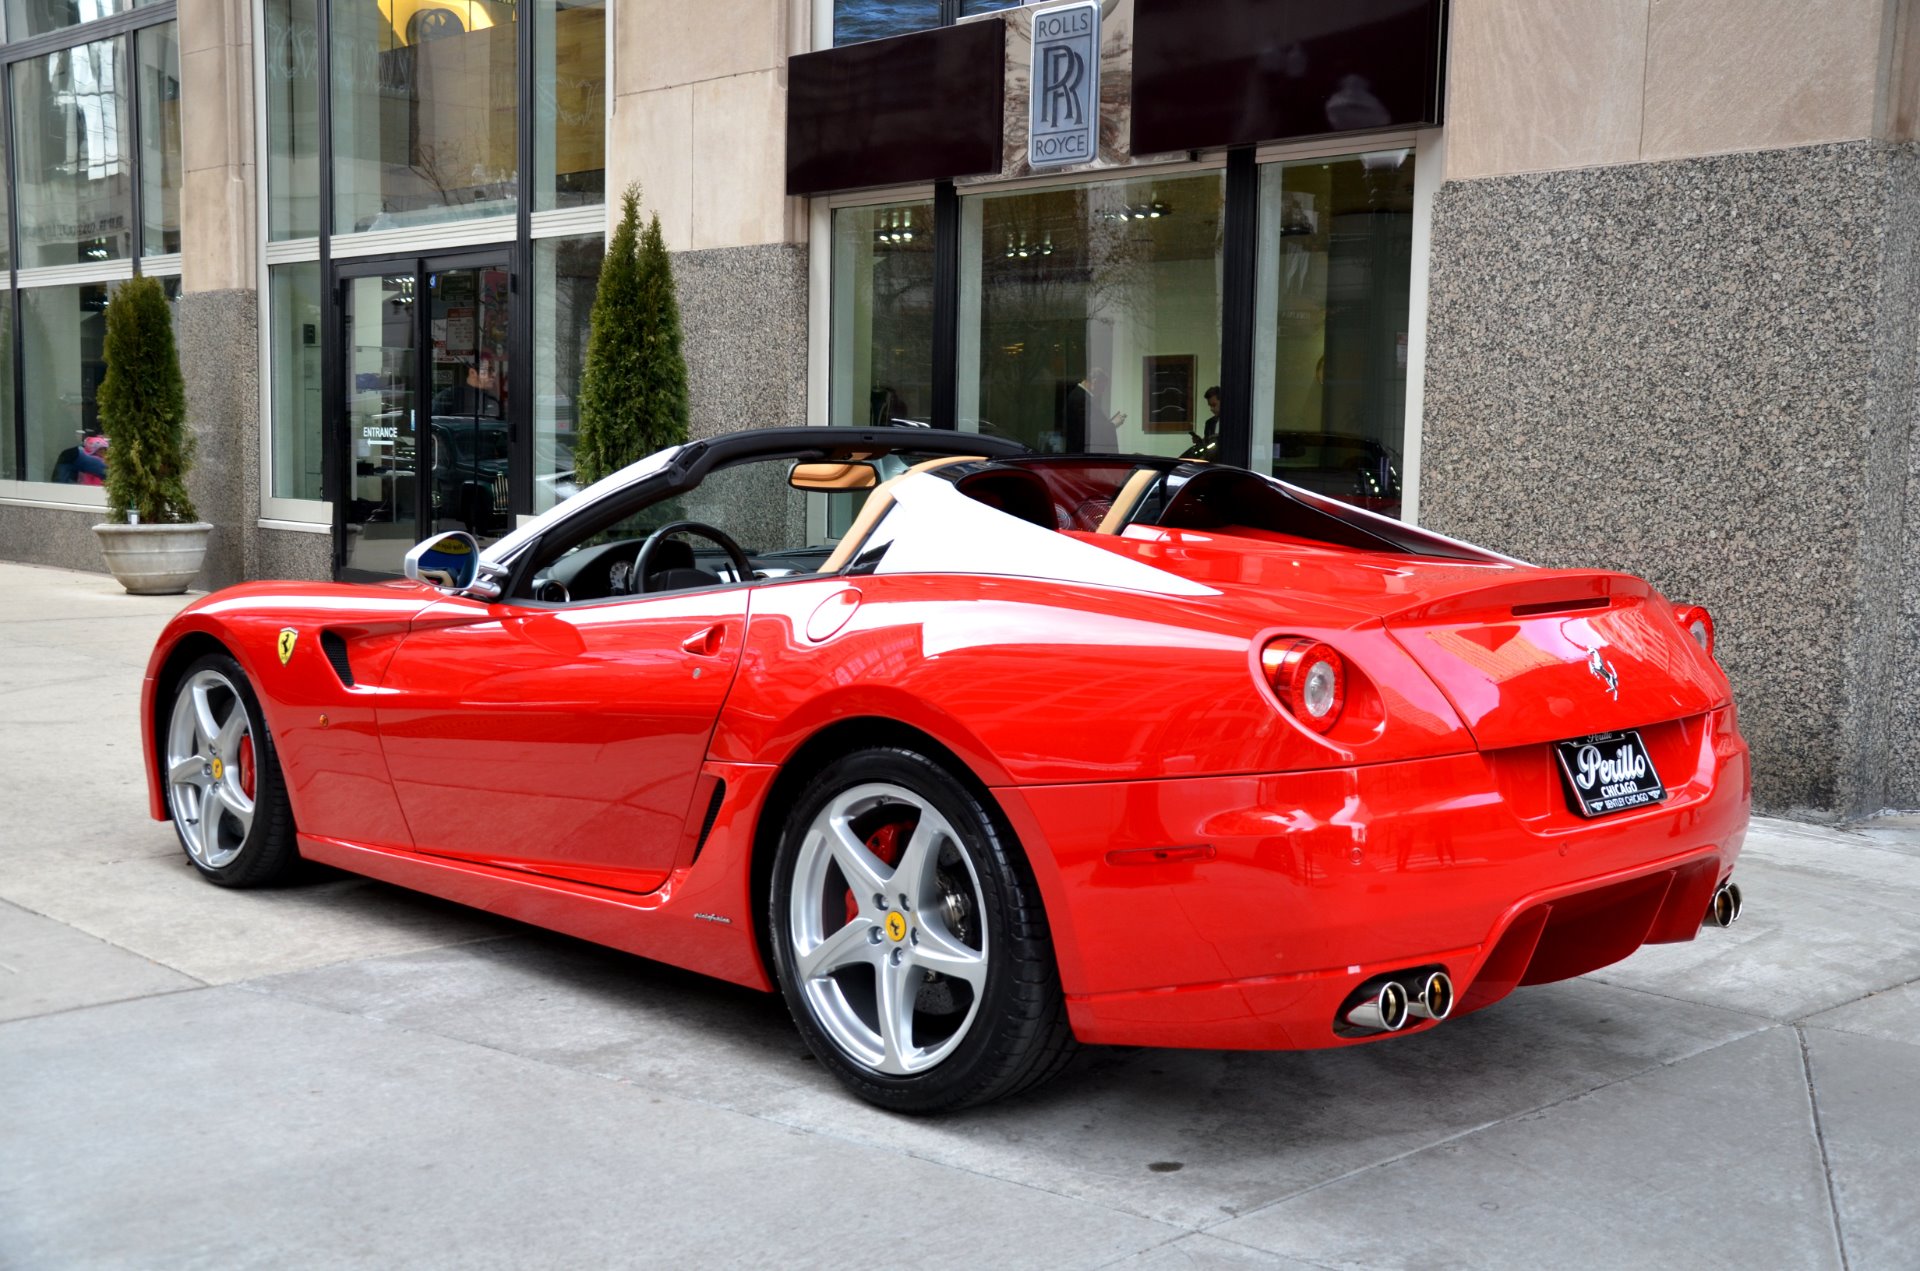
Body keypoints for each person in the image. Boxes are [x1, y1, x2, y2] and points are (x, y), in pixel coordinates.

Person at [1061, 368, 1123, 453]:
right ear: (1094, 382)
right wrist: (1113, 423)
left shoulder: (1080, 396)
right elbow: (1089, 429)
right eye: (1102, 387)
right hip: (1082, 454)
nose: (1102, 391)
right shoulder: (1080, 398)